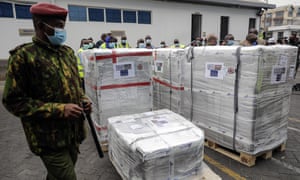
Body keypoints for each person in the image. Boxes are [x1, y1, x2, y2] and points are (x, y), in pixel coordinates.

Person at [2, 3, 92, 180]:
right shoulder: (23, 57)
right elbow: (13, 101)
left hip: (72, 134)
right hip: (48, 139)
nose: (62, 31)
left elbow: (74, 86)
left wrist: (83, 99)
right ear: (40, 25)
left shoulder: (67, 53)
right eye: (58, 26)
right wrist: (60, 109)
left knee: (57, 176)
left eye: (63, 26)